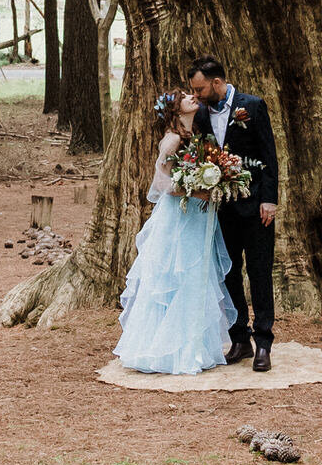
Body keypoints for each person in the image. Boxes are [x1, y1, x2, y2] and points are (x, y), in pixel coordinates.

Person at [113, 87, 234, 375]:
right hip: (179, 217)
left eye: (193, 94)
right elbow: (160, 184)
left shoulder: (197, 135)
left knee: (195, 277)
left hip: (196, 217)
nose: (193, 97)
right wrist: (194, 192)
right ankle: (165, 351)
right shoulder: (174, 139)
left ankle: (192, 346)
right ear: (176, 109)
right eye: (185, 97)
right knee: (175, 276)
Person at [186, 54, 279, 371]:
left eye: (199, 89)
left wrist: (270, 199)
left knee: (260, 272)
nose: (196, 96)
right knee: (228, 274)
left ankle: (263, 342)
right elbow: (197, 156)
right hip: (220, 209)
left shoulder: (252, 106)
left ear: (217, 82)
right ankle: (239, 338)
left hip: (256, 208)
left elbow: (269, 154)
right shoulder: (200, 114)